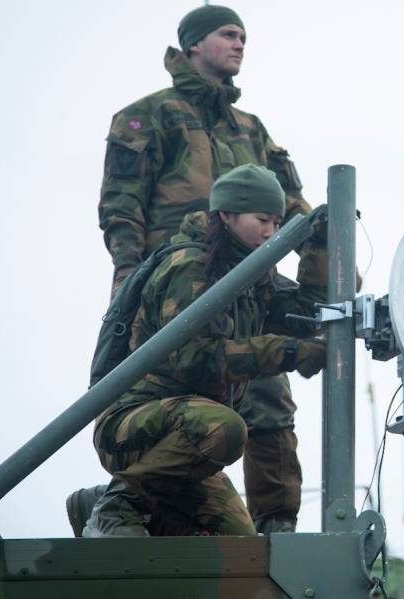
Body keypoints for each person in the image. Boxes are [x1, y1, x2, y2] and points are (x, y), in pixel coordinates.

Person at [73, 5, 313, 534]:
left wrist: (325, 263)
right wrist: (128, 288)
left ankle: (277, 528)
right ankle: (126, 498)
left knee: (270, 399)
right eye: (229, 34)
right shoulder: (148, 116)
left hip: (247, 286)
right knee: (192, 397)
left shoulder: (251, 130)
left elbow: (293, 211)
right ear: (194, 45)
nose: (240, 44)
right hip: (177, 290)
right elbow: (121, 208)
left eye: (244, 36)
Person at [84, 164, 328, 537]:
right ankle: (120, 503)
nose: (271, 232)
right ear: (227, 216)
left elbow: (308, 313)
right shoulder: (189, 267)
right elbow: (194, 360)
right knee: (228, 428)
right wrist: (287, 353)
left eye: (278, 224)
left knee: (239, 548)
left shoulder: (251, 275)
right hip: (134, 424)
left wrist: (321, 246)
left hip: (191, 434)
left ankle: (101, 503)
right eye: (262, 219)